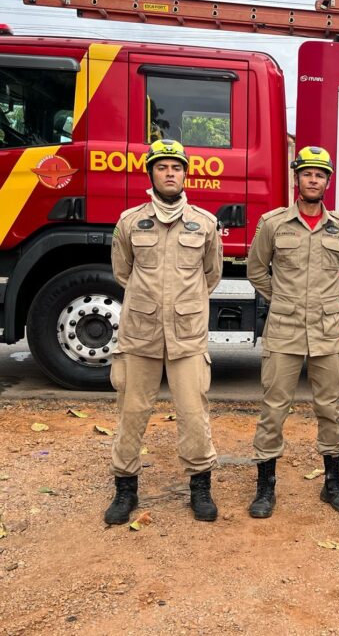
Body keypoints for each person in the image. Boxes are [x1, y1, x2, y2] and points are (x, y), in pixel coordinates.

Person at [105, 139, 223, 524]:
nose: (170, 173)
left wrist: (182, 304)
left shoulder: (205, 223)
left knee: (193, 413)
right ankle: (125, 489)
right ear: (151, 173)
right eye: (162, 167)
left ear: (186, 174)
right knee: (132, 411)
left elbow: (211, 275)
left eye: (176, 167)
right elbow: (123, 272)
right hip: (140, 334)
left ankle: (200, 487)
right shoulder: (129, 221)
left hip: (187, 336)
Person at [246, 146, 339, 517]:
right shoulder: (274, 223)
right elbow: (256, 269)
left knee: (330, 408)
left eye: (320, 175)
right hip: (284, 329)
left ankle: (333, 484)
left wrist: (326, 301)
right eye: (307, 173)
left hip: (327, 331)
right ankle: (265, 488)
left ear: (328, 181)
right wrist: (284, 299)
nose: (313, 180)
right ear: (297, 178)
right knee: (273, 408)